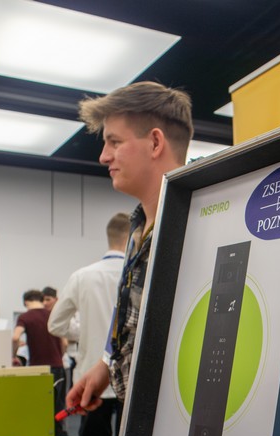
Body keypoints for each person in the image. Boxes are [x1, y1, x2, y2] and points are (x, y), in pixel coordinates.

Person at [66, 82, 193, 416]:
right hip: (133, 411)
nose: (103, 156)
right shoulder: (138, 227)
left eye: (115, 142)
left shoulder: (196, 227)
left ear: (155, 142)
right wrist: (105, 366)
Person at [48, 213, 130, 436]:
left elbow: (55, 324)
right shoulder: (140, 275)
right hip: (128, 376)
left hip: (90, 377)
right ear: (132, 236)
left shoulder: (82, 276)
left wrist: (86, 331)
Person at [13, 289, 68, 436]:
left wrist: (13, 355)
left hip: (38, 370)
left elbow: (15, 337)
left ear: (26, 302)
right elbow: (64, 342)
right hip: (57, 368)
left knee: (38, 408)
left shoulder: (25, 317)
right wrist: (58, 356)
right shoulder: (53, 315)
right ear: (42, 300)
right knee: (57, 407)